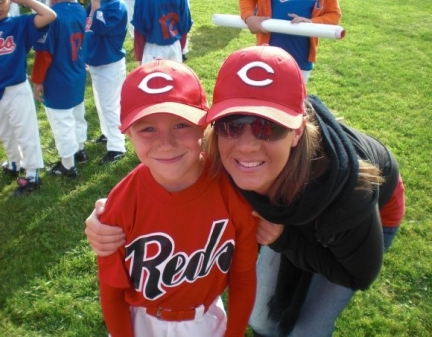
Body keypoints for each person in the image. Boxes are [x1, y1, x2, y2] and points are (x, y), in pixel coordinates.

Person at [85, 45, 405, 336]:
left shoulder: (349, 195)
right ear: (213, 124)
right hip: (285, 215)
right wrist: (105, 218)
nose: (248, 145)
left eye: (269, 126)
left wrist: (285, 239)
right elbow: (165, 172)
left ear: (295, 132)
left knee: (307, 329)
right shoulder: (217, 160)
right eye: (234, 123)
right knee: (265, 319)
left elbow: (359, 275)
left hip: (351, 218)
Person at [94, 59, 257, 337]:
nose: (166, 143)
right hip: (141, 321)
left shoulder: (231, 190)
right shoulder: (122, 202)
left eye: (181, 124)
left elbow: (242, 276)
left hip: (205, 320)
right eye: (147, 128)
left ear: (204, 125)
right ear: (128, 132)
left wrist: (235, 332)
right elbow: (112, 290)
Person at [0, 0, 56, 196]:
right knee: (4, 131)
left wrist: (24, 1)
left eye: (1, 1)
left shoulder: (19, 24)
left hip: (16, 88)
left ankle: (32, 173)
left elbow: (49, 15)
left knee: (25, 131)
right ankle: (14, 162)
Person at [31, 0, 88, 178]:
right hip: (76, 71)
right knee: (78, 115)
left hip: (58, 76)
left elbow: (44, 53)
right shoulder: (79, 8)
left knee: (62, 123)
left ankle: (68, 165)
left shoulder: (50, 15)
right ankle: (80, 150)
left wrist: (38, 80)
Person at [239, 0, 341, 82]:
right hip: (266, 56)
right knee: (264, 100)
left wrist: (311, 22)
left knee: (291, 101)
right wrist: (248, 17)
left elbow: (334, 16)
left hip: (300, 58)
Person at [85, 0, 127, 165]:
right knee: (100, 103)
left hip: (110, 62)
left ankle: (117, 146)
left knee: (110, 105)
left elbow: (101, 27)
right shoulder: (95, 4)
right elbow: (87, 30)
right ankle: (108, 133)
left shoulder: (117, 6)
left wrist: (95, 7)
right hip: (96, 60)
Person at [132, 0, 192, 65]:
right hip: (175, 46)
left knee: (154, 75)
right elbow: (184, 27)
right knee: (173, 75)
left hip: (153, 49)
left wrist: (139, 57)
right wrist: (180, 49)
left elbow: (139, 31)